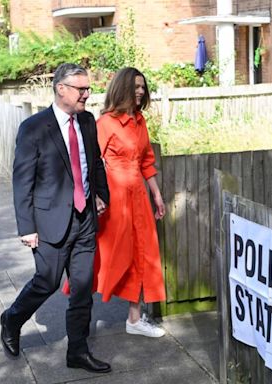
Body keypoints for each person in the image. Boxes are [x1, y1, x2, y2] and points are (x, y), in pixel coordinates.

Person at [0, 63, 112, 374]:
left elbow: (95, 163)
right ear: (61, 89)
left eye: (87, 89)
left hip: (85, 218)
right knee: (46, 282)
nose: (86, 95)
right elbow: (22, 180)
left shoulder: (88, 122)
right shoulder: (34, 127)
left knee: (82, 286)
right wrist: (27, 228)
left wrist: (100, 194)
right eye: (81, 89)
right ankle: (12, 318)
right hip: (50, 222)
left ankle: (77, 350)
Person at [93, 67, 166, 337]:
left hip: (139, 198)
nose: (140, 91)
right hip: (114, 200)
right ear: (122, 88)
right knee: (104, 255)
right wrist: (97, 198)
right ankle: (79, 313)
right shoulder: (106, 123)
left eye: (143, 87)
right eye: (136, 86)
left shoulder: (140, 121)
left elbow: (146, 161)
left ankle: (134, 320)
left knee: (142, 253)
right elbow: (91, 164)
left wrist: (156, 194)